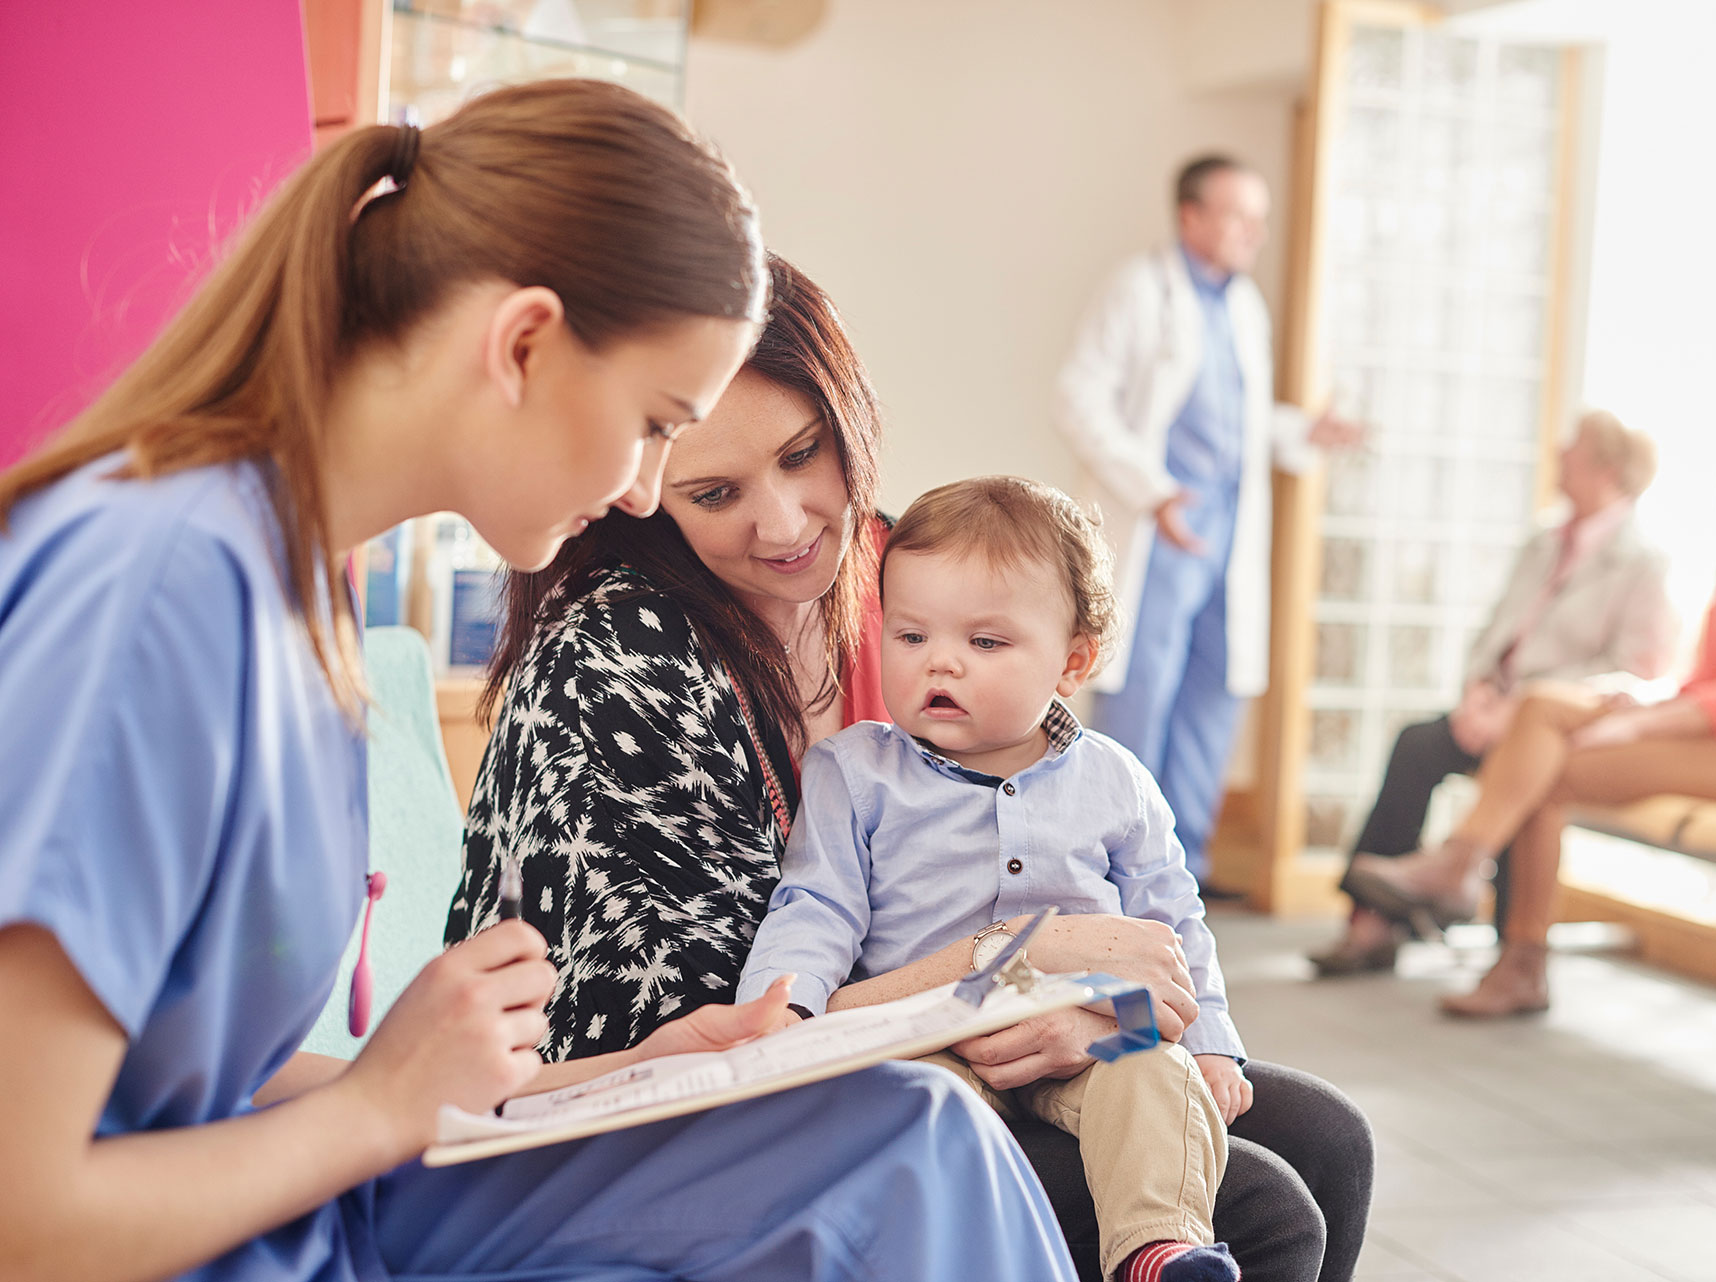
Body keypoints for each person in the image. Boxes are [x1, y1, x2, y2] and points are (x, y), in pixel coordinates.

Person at [0, 80, 1080, 1282]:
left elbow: (197, 1081)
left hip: (321, 1206)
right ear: (520, 346)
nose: (641, 490)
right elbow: (22, 1212)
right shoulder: (161, 592)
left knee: (912, 1137)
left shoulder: (287, 590)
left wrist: (628, 1069)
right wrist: (376, 1108)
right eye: (657, 427)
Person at [453, 261, 1376, 1280]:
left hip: (995, 1016)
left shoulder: (887, 579)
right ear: (644, 489)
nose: (787, 521)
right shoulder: (623, 659)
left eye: (805, 453)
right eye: (715, 492)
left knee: (1326, 1138)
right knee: (1263, 1204)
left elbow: (1164, 939)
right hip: (727, 1111)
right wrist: (1026, 962)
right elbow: (732, 1042)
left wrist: (1101, 1015)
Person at [740, 476, 1250, 1282]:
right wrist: (783, 1003)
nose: (940, 661)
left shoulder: (1117, 780)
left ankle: (1159, 1248)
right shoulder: (855, 771)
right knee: (925, 1115)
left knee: (1159, 1069)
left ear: (1071, 661)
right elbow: (817, 902)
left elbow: (1174, 921)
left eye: (985, 643)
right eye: (910, 636)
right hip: (926, 1025)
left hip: (1091, 1013)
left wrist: (1215, 1043)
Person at [1345, 422, 1716, 1018]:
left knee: (1551, 773)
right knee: (1539, 705)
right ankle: (1463, 874)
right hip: (1700, 728)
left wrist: (1642, 725)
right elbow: (1707, 679)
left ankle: (1505, 938)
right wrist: (1644, 702)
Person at [1056, 153, 1361, 888]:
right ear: (1190, 216)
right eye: (1236, 214)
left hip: (1226, 531)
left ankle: (1184, 863)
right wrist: (1152, 489)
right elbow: (1078, 397)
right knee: (1143, 692)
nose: (1253, 231)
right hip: (1165, 525)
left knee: (1215, 688)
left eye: (1259, 217)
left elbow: (1240, 425)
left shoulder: (1243, 304)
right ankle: (1117, 862)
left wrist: (1301, 434)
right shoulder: (1139, 290)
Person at [1310, 411, 1678, 976]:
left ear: (1606, 469)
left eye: (1573, 448)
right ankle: (1372, 922)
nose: (1558, 453)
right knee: (1417, 745)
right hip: (1496, 710)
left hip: (1563, 728)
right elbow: (1496, 631)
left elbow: (1634, 670)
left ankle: (1511, 951)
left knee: (1524, 768)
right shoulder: (1542, 543)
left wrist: (1520, 708)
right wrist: (1479, 695)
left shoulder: (1645, 564)